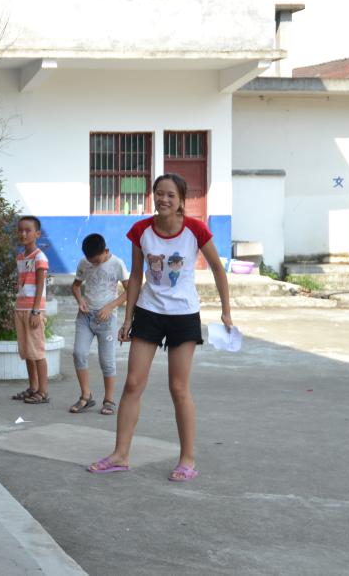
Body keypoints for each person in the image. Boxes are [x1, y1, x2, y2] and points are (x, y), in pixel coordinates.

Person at [87, 173, 232, 482]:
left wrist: (226, 312)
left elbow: (218, 270)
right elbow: (136, 276)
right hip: (149, 312)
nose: (163, 199)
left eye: (170, 195)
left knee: (178, 387)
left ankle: (187, 460)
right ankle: (120, 455)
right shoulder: (141, 230)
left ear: (181, 200)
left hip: (183, 314)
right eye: (159, 193)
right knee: (132, 383)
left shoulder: (195, 230)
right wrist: (128, 319)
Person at [69, 233, 129, 416]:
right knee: (79, 353)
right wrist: (80, 301)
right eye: (90, 261)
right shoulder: (84, 263)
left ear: (106, 251)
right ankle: (86, 396)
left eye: (96, 261)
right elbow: (75, 286)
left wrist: (110, 307)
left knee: (107, 361)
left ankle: (109, 400)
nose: (93, 264)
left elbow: (130, 291)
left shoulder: (117, 264)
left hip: (106, 320)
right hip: (85, 317)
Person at [10, 216, 51, 405]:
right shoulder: (20, 257)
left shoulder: (39, 257)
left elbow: (41, 285)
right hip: (21, 307)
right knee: (27, 351)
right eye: (20, 230)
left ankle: (43, 392)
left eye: (28, 230)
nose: (23, 234)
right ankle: (33, 387)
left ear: (37, 234)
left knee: (37, 351)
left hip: (33, 310)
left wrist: (36, 311)